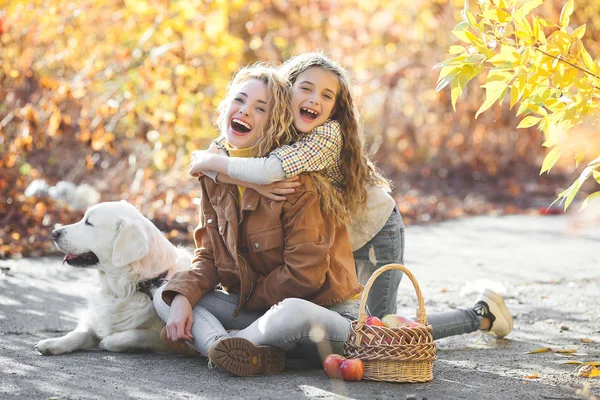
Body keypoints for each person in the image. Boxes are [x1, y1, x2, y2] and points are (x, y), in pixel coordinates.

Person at [154, 63, 514, 377]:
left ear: (277, 115)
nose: (247, 112)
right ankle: (235, 348)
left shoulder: (311, 154)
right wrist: (185, 296)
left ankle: (479, 315)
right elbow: (211, 236)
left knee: (384, 336)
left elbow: (300, 265)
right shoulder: (233, 166)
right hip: (295, 281)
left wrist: (246, 302)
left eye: (261, 107)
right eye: (239, 101)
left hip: (373, 232)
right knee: (166, 295)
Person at [188, 52, 403, 319]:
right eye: (306, 88)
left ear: (335, 108)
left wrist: (220, 168)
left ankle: (468, 318)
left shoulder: (327, 134)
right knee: (363, 329)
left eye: (326, 95)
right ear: (286, 92)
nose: (314, 99)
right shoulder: (277, 126)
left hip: (374, 227)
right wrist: (224, 170)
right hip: (336, 236)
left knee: (381, 329)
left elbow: (267, 171)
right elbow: (213, 159)